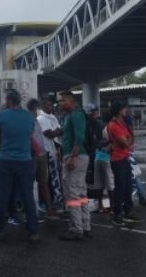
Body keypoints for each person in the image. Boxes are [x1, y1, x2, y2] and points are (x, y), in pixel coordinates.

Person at [0, 90, 40, 244]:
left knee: (3, 196)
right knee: (28, 196)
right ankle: (33, 232)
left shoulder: (1, 116)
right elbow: (30, 134)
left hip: (6, 160)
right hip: (25, 160)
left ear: (9, 100)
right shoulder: (29, 116)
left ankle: (0, 230)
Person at [57, 90, 91, 241]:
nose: (60, 103)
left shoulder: (76, 115)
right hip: (75, 156)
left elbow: (79, 136)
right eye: (59, 101)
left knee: (72, 194)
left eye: (63, 100)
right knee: (81, 193)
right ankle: (85, 225)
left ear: (72, 101)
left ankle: (76, 229)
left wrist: (72, 157)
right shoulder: (70, 116)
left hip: (75, 157)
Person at [108, 101, 142, 226]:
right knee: (120, 188)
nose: (126, 110)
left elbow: (129, 140)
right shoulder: (114, 125)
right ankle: (117, 215)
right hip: (117, 160)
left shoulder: (122, 124)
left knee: (128, 187)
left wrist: (129, 139)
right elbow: (127, 144)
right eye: (124, 108)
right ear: (118, 111)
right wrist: (129, 139)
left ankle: (128, 212)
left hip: (124, 158)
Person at [27, 99, 55, 218]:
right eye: (39, 108)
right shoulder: (28, 120)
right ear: (35, 108)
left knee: (43, 183)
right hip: (32, 155)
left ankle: (49, 210)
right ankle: (31, 211)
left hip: (42, 154)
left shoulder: (37, 121)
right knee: (30, 184)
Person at [37, 98, 64, 211]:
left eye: (51, 105)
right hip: (46, 152)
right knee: (47, 179)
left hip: (54, 151)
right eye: (48, 105)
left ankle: (56, 200)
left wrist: (56, 131)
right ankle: (46, 202)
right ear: (42, 106)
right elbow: (49, 133)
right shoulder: (40, 119)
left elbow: (61, 130)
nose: (51, 107)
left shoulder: (52, 117)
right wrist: (56, 131)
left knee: (55, 177)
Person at [87, 104, 114, 213]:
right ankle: (112, 208)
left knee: (98, 184)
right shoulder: (109, 127)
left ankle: (100, 207)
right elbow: (113, 142)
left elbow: (95, 141)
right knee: (110, 185)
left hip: (97, 157)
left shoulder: (96, 126)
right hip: (107, 158)